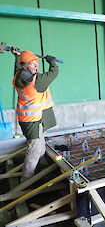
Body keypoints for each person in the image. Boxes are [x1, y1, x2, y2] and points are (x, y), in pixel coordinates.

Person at [12, 49, 58, 181]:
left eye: (36, 63)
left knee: (40, 148)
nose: (36, 66)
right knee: (34, 151)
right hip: (33, 119)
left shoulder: (18, 76)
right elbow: (54, 73)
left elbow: (16, 68)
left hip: (29, 119)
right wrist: (52, 62)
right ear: (25, 66)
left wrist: (17, 57)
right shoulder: (37, 81)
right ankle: (26, 181)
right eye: (33, 64)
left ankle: (39, 170)